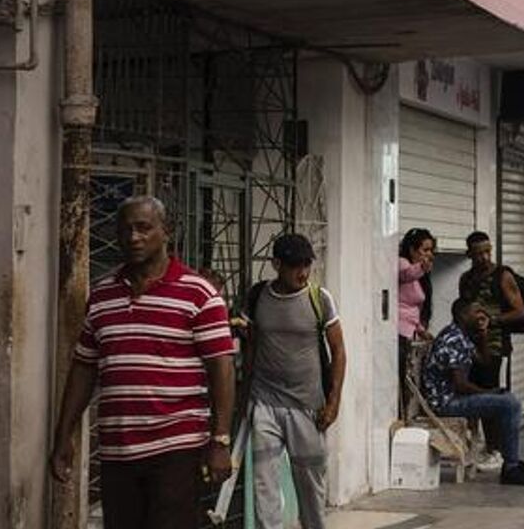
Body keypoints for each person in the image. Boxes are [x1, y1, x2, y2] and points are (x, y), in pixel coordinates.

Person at [48, 196, 236, 529]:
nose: (133, 237)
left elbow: (221, 369)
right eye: (125, 230)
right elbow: (83, 368)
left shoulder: (199, 294)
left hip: (176, 449)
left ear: (167, 232)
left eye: (144, 228)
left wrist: (220, 441)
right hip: (118, 452)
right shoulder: (103, 295)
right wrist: (64, 435)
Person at [241, 234, 346, 529]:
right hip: (265, 404)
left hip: (307, 409)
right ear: (276, 264)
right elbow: (250, 349)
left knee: (310, 488)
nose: (302, 272)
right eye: (295, 266)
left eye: (306, 265)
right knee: (264, 488)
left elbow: (338, 351)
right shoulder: (258, 296)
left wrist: (333, 402)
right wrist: (244, 400)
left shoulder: (319, 299)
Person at [421, 298, 524, 486]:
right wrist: (488, 393)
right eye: (476, 311)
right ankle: (511, 466)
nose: (482, 314)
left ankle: (511, 460)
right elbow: (460, 384)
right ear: (462, 315)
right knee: (510, 404)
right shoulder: (453, 339)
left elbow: (485, 362)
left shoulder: (463, 336)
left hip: (454, 397)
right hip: (445, 403)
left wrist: (484, 334)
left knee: (506, 399)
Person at [459, 231, 524, 466]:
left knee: (488, 393)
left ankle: (493, 448)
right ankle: (472, 445)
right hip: (469, 345)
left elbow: (519, 311)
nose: (484, 258)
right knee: (470, 393)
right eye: (478, 254)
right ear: (469, 254)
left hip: (494, 346)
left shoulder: (502, 276)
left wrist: (492, 321)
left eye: (487, 252)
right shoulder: (466, 279)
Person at [397, 228, 435, 420]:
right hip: (400, 331)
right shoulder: (403, 263)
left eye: (431, 251)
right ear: (412, 250)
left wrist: (421, 330)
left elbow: (413, 309)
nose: (429, 255)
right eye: (425, 250)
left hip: (411, 331)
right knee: (403, 378)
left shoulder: (421, 273)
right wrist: (421, 268)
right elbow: (405, 274)